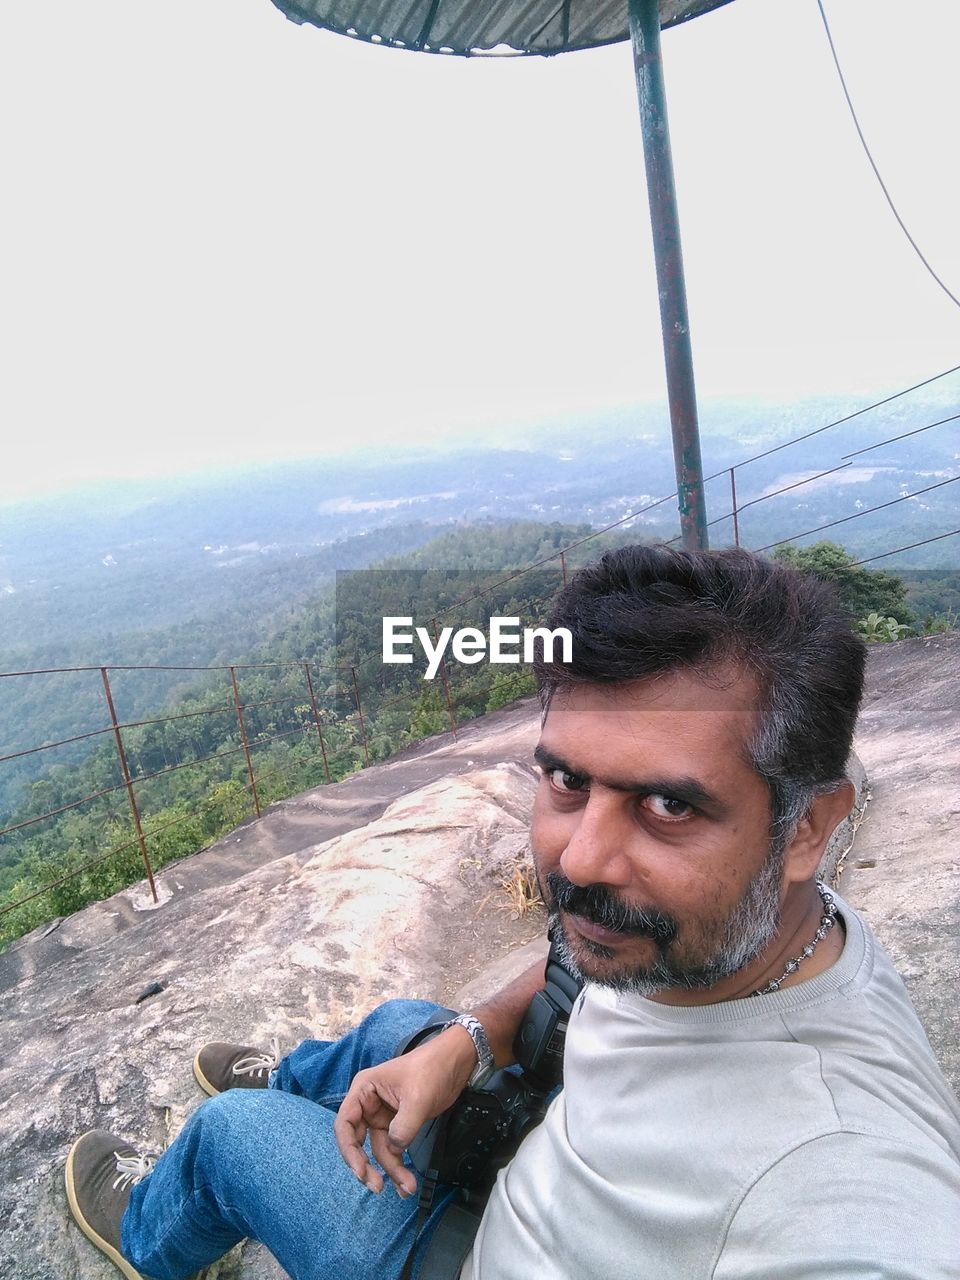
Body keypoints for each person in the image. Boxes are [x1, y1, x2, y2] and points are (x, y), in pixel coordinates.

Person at [65, 546, 960, 1280]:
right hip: (538, 1156)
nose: (577, 858)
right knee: (406, 1029)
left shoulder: (830, 1175)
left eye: (670, 808)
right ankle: (310, 1091)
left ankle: (152, 1233)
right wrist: (470, 1041)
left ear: (807, 826)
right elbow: (575, 967)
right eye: (568, 779)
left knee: (229, 1137)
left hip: (475, 1257)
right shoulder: (729, 934)